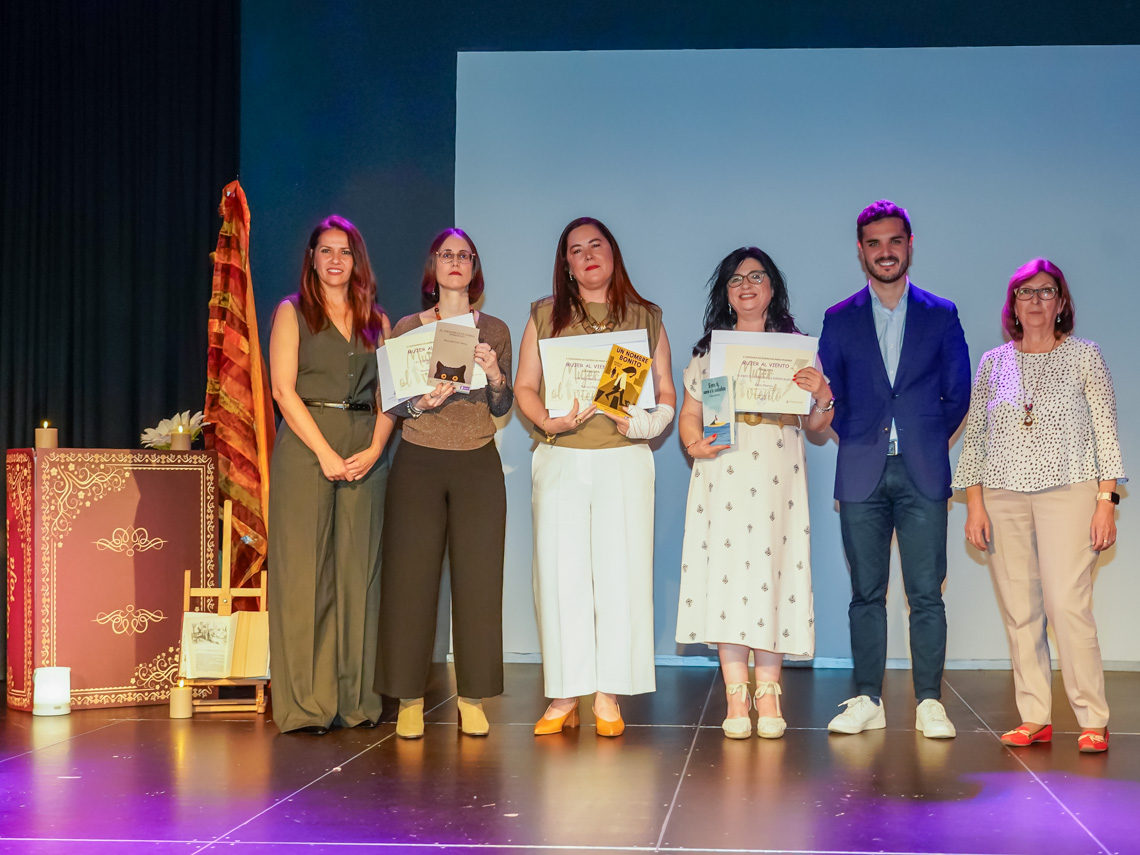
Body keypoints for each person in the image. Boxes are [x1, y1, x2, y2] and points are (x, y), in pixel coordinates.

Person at [953, 258, 1124, 753]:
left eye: (1045, 292)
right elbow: (978, 440)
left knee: (1068, 606)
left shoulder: (1085, 356)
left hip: (1070, 491)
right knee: (1019, 611)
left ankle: (1093, 717)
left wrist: (1105, 501)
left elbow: (1106, 432)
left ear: (1061, 302)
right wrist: (975, 506)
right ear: (1013, 304)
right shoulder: (993, 362)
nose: (1035, 301)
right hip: (1002, 495)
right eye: (1025, 292)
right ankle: (1034, 716)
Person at [515, 216, 676, 736]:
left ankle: (608, 695)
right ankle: (564, 695)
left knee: (621, 574)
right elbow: (525, 387)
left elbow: (668, 395)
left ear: (613, 253)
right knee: (559, 576)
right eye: (575, 249)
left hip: (623, 460)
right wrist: (547, 422)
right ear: (565, 263)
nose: (587, 255)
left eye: (596, 245)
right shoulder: (544, 315)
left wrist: (643, 422)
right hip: (561, 457)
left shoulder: (644, 317)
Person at [817, 200, 971, 738]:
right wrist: (860, 437)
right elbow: (828, 398)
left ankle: (929, 700)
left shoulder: (940, 314)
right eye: (874, 243)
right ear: (861, 251)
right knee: (867, 593)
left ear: (909, 245)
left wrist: (924, 437)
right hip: (861, 471)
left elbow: (959, 395)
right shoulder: (838, 319)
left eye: (894, 241)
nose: (885, 251)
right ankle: (867, 699)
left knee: (926, 592)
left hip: (923, 471)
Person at [675, 247, 834, 739]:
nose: (746, 285)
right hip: (723, 476)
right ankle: (735, 695)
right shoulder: (708, 353)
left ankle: (769, 693)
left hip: (776, 483)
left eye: (757, 277)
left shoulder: (796, 349)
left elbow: (816, 425)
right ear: (725, 292)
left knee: (773, 574)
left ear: (772, 288)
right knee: (726, 580)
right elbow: (690, 414)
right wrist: (691, 442)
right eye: (736, 279)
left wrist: (823, 392)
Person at [375, 228, 513, 739]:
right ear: (433, 266)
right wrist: (420, 403)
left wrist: (495, 374)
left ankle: (472, 698)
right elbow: (392, 401)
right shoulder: (409, 327)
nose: (456, 263)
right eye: (446, 255)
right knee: (410, 582)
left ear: (474, 268)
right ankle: (409, 698)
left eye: (465, 256)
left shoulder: (494, 328)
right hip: (419, 461)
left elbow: (502, 406)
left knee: (479, 583)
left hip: (477, 462)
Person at [268, 215, 395, 734]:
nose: (336, 259)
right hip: (305, 448)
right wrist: (323, 451)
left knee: (358, 577)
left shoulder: (378, 321)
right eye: (326, 251)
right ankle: (305, 706)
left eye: (345, 251)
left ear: (357, 260)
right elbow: (282, 389)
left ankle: (356, 701)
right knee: (305, 577)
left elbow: (393, 396)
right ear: (313, 259)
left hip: (366, 449)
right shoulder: (291, 312)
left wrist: (376, 447)